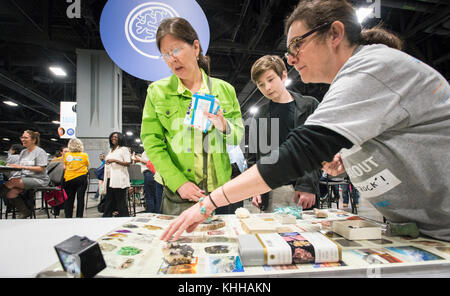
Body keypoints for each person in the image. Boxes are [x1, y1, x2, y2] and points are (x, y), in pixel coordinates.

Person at [161, 0, 450, 242]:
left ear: (334, 33)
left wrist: (209, 203)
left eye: (297, 44)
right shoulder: (356, 77)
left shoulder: (371, 67)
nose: (292, 58)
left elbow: (298, 151)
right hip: (421, 230)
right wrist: (345, 158)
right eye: (288, 51)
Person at [140, 17, 244, 215]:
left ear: (196, 47)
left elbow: (237, 136)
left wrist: (224, 125)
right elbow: (152, 142)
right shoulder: (157, 92)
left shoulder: (225, 90)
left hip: (219, 193)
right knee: (179, 245)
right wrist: (179, 183)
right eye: (166, 54)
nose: (172, 59)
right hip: (178, 193)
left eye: (177, 50)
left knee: (221, 244)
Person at [248, 55, 320, 211]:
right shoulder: (260, 114)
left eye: (271, 79)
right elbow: (253, 157)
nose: (267, 87)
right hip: (270, 190)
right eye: (261, 84)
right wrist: (254, 188)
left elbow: (318, 150)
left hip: (302, 191)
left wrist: (307, 184)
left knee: (305, 235)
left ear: (284, 75)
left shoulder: (309, 106)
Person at [0, 130, 49, 218]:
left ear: (33, 140)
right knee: (10, 193)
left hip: (39, 179)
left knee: (12, 182)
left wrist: (23, 167)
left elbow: (41, 168)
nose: (23, 139)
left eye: (25, 137)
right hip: (25, 178)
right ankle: (25, 212)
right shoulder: (23, 152)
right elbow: (20, 166)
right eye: (22, 137)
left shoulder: (40, 152)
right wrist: (13, 166)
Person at [102, 132, 131, 217]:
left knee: (120, 202)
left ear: (120, 139)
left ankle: (124, 218)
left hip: (119, 179)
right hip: (110, 178)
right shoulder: (111, 150)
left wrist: (115, 160)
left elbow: (128, 163)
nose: (113, 138)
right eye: (112, 137)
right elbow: (109, 162)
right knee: (109, 200)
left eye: (116, 137)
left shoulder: (123, 149)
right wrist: (104, 160)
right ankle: (106, 217)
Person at [63, 138, 89, 218]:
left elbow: (65, 165)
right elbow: (87, 164)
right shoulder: (84, 155)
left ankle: (68, 216)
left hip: (69, 178)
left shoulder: (67, 155)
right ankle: (79, 217)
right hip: (81, 178)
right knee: (80, 199)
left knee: (69, 199)